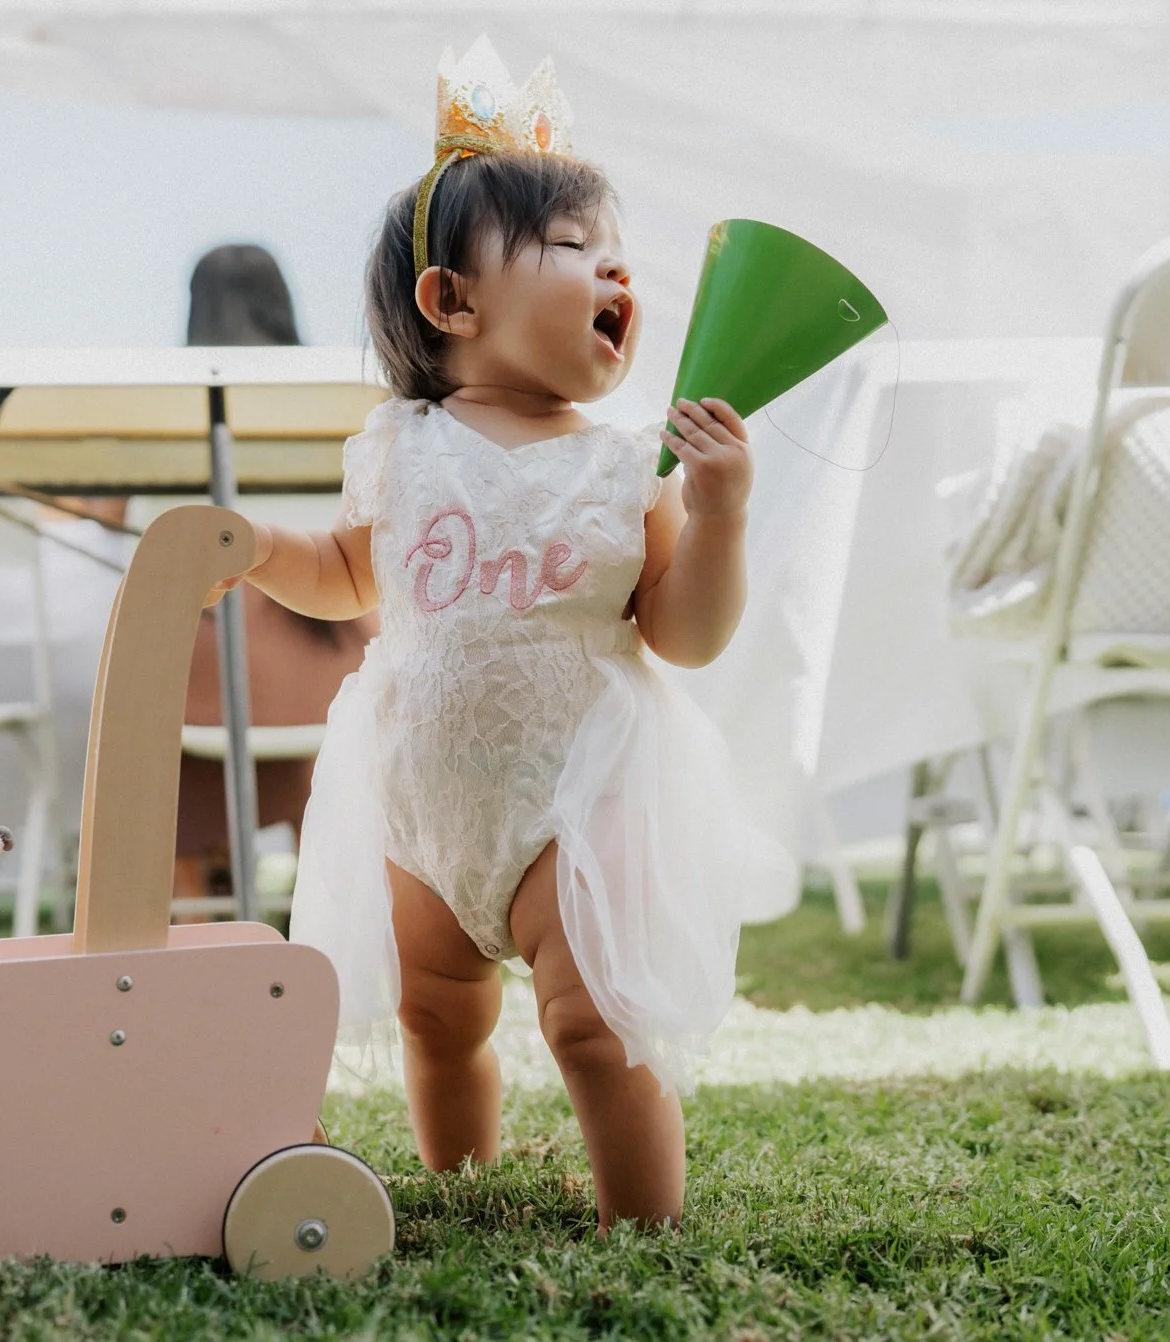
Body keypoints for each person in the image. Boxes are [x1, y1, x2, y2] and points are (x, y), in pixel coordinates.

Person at [211, 37, 789, 1230]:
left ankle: (644, 1222)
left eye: (615, 252)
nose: (611, 268)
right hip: (421, 792)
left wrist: (721, 514)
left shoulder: (631, 465)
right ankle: (458, 1181)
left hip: (575, 786)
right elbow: (343, 574)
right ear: (451, 301)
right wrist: (263, 551)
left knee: (589, 1018)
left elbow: (680, 633)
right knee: (438, 1010)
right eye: (573, 248)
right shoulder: (397, 449)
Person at [177, 245, 375, 907]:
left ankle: (193, 905)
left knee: (163, 678)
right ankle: (339, 902)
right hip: (330, 664)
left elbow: (115, 521)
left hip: (204, 684)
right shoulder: (340, 395)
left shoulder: (172, 397)